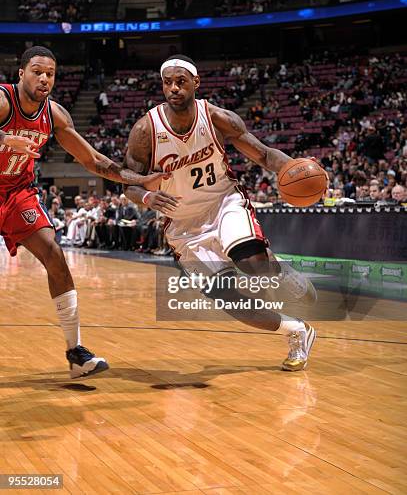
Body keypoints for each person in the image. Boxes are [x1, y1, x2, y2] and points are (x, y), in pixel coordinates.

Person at [123, 55, 320, 372]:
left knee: (253, 265)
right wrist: (145, 195)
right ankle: (298, 331)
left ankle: (280, 272)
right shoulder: (145, 130)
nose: (174, 88)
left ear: (195, 83)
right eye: (168, 82)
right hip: (183, 226)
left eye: (181, 81)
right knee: (229, 299)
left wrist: (294, 168)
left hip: (223, 202)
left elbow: (265, 154)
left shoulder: (216, 118)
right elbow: (127, 182)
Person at [0, 46, 165, 378]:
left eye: (50, 73)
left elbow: (94, 161)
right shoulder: (3, 101)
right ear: (21, 74)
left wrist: (138, 179)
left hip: (17, 192)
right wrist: (5, 138)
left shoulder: (55, 115)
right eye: (36, 71)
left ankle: (76, 352)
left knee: (54, 253)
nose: (44, 78)